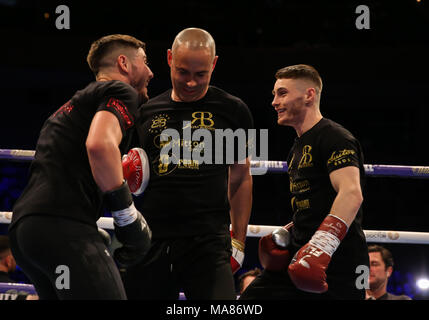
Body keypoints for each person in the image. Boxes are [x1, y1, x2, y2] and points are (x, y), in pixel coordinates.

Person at [8, 34, 154, 299]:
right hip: (62, 226)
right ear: (124, 63)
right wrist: (126, 214)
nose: (151, 72)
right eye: (144, 62)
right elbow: (99, 146)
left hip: (25, 233)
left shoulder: (66, 109)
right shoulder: (121, 91)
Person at [121, 28, 254, 300]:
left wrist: (238, 240)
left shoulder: (234, 110)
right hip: (152, 238)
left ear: (214, 64)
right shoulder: (145, 111)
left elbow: (241, 176)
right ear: (169, 58)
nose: (191, 82)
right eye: (183, 72)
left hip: (209, 242)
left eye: (200, 74)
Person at [240, 64, 369, 300]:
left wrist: (321, 247)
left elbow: (351, 193)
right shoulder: (296, 147)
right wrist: (289, 231)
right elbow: (312, 202)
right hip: (298, 253)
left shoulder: (334, 136)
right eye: (274, 95)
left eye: (282, 93)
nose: (274, 102)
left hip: (338, 260)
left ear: (309, 95)